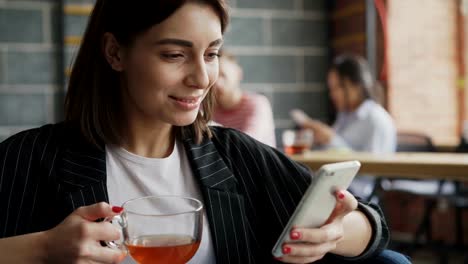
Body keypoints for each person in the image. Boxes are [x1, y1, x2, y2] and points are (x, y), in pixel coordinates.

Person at [0, 1, 399, 263]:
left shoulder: (237, 156)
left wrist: (335, 232)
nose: (202, 77)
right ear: (115, 52)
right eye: (174, 55)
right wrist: (42, 248)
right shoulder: (30, 159)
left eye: (211, 54)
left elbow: (373, 227)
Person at [291, 54, 397, 199]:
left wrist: (330, 139)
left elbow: (372, 169)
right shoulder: (345, 115)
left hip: (355, 192)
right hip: (331, 182)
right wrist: (318, 140)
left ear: (355, 85)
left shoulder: (376, 119)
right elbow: (335, 152)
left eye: (337, 88)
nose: (332, 95)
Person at [212, 50, 276, 147]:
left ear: (238, 74)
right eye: (213, 77)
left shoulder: (257, 104)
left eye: (223, 75)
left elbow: (246, 145)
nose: (217, 83)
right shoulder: (206, 108)